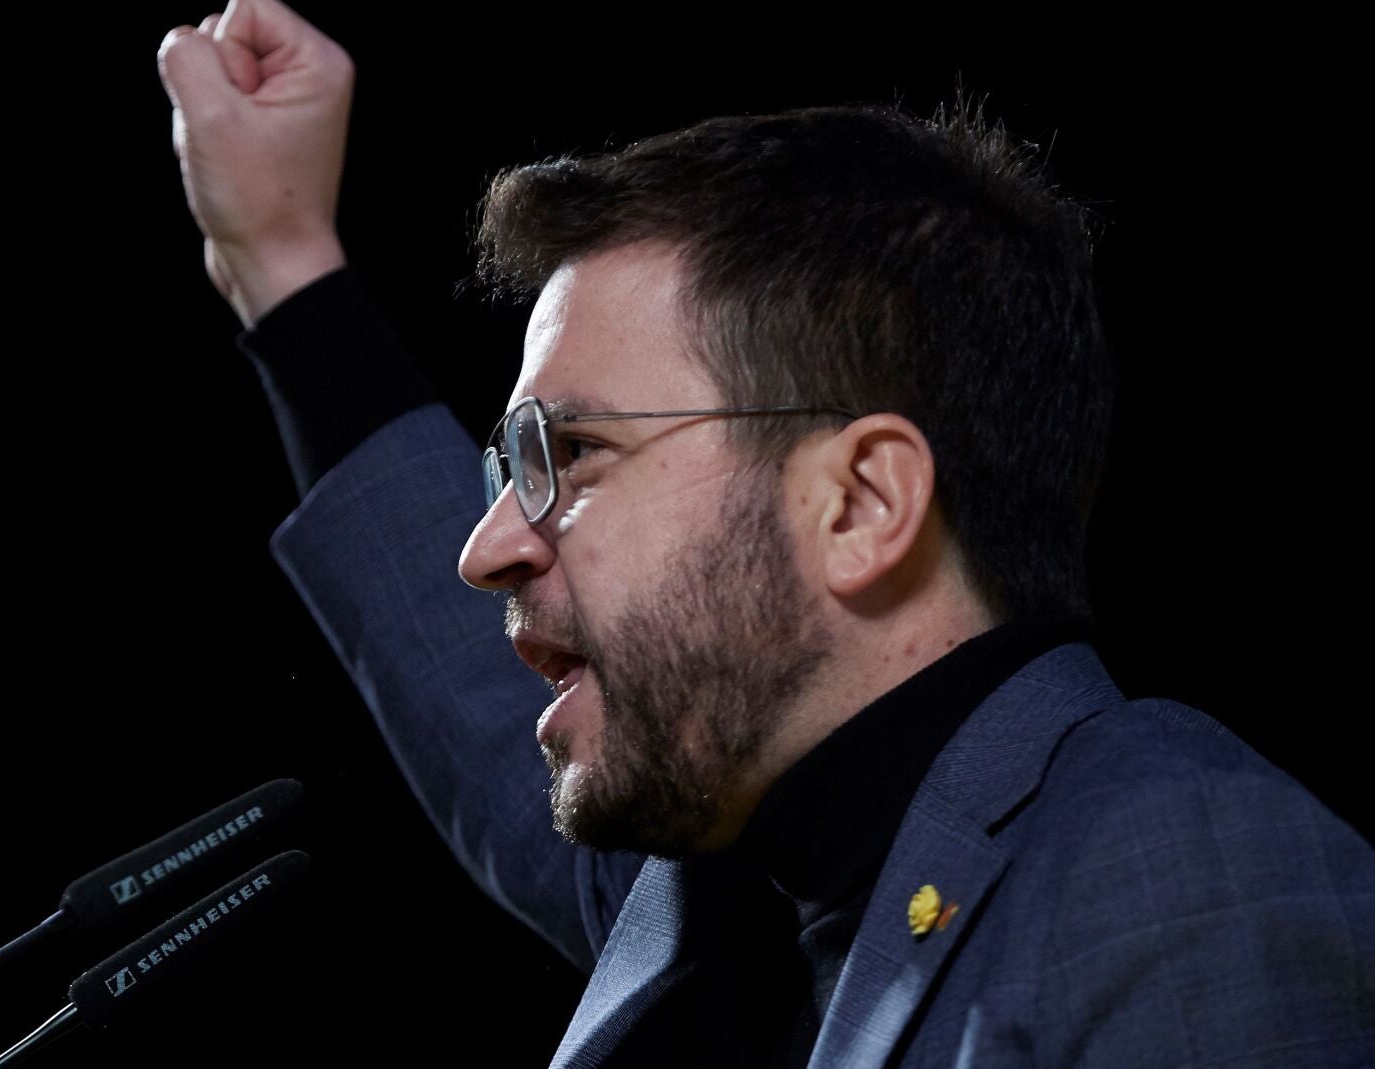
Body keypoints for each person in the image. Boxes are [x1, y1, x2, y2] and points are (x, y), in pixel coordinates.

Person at [157, 3, 1375, 1066]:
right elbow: (483, 725)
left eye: (572, 454)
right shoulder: (722, 883)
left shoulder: (1185, 874)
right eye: (511, 465)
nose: (484, 551)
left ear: (859, 504)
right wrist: (280, 258)